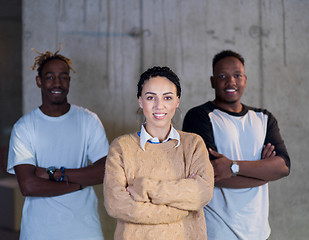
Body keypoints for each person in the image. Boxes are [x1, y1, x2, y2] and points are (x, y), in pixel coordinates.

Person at [182, 50, 291, 240]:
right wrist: (264, 174)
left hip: (259, 232)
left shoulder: (264, 118)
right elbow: (209, 175)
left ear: (245, 80)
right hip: (216, 231)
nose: (231, 81)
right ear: (212, 81)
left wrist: (232, 167)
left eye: (237, 75)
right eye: (222, 76)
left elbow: (283, 167)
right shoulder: (199, 116)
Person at [7, 45, 109, 240]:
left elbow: (106, 171)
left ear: (69, 81)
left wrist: (53, 173)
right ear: (39, 81)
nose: (57, 83)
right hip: (39, 231)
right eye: (50, 77)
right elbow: (29, 185)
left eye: (63, 77)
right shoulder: (24, 127)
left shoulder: (88, 120)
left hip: (84, 230)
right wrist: (78, 185)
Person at [103, 66, 214, 240]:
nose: (159, 106)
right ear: (140, 101)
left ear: (177, 101)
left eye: (167, 97)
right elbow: (116, 204)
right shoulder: (121, 147)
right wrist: (182, 206)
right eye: (150, 97)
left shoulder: (193, 144)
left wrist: (144, 188)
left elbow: (202, 193)